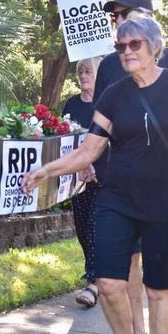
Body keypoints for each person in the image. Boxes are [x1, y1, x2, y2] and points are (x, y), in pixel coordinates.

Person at [23, 17, 168, 334]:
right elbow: (88, 151)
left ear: (154, 47)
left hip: (165, 200)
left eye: (134, 44)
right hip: (118, 199)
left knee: (159, 289)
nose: (126, 51)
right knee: (107, 282)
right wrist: (45, 170)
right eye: (120, 46)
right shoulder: (114, 95)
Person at [99, 0, 168, 334]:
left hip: (165, 189)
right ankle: (137, 328)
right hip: (121, 186)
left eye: (122, 14)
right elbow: (100, 121)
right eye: (114, 17)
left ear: (146, 15)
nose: (116, 21)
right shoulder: (109, 63)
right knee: (129, 264)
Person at [62, 56, 103, 307]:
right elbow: (65, 138)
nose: (83, 76)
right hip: (78, 176)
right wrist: (79, 163)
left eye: (88, 71)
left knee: (94, 227)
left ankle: (93, 283)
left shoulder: (106, 104)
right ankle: (97, 274)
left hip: (103, 176)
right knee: (82, 230)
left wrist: (93, 162)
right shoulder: (71, 104)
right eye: (80, 72)